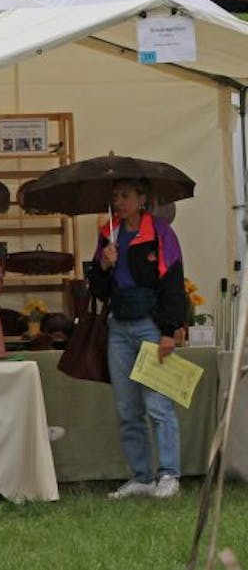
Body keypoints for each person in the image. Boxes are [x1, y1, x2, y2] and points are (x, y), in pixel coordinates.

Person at [88, 178, 185, 500]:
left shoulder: (160, 233)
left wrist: (169, 331)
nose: (119, 201)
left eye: (125, 195)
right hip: (118, 327)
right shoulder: (108, 234)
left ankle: (169, 474)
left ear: (142, 199)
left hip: (150, 326)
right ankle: (142, 477)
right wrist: (103, 265)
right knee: (127, 408)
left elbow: (173, 282)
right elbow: (98, 289)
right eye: (115, 196)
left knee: (158, 406)